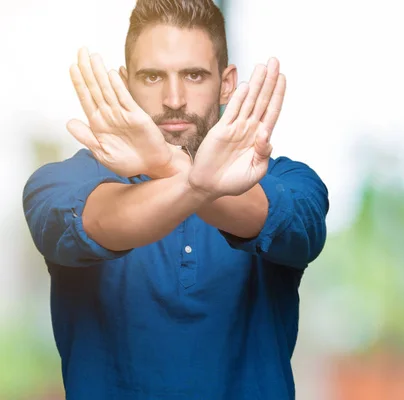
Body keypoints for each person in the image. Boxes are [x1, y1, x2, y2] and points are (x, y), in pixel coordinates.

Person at [21, 0, 329, 399]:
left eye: (195, 75)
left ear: (227, 82)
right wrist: (189, 177)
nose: (174, 98)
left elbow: (282, 221)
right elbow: (97, 221)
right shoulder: (61, 182)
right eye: (151, 77)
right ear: (125, 83)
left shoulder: (291, 180)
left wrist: (165, 165)